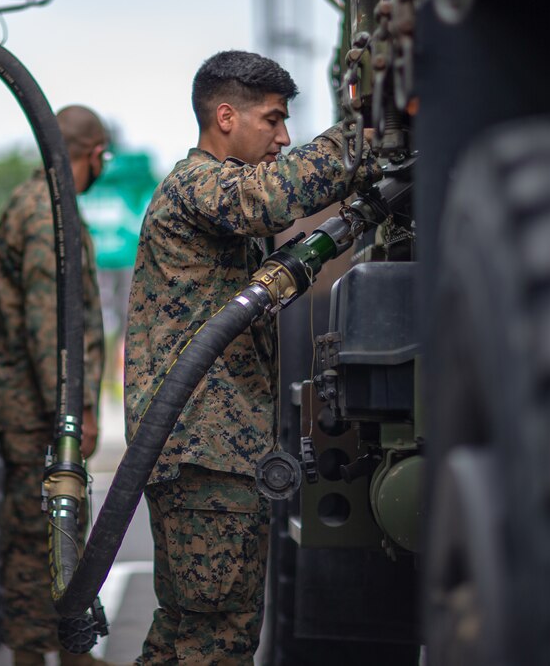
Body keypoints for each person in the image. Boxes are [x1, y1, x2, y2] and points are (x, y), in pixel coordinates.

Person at [123, 51, 381, 664]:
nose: (284, 137)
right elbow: (272, 195)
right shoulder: (196, 184)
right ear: (226, 116)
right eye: (273, 120)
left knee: (203, 632)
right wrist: (362, 133)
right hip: (201, 452)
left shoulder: (215, 198)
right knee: (211, 638)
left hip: (215, 452)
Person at [0, 105, 113, 666]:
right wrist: (75, 412)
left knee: (48, 538)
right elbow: (49, 328)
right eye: (102, 155)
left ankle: (62, 653)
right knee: (41, 541)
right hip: (39, 414)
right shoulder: (45, 216)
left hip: (33, 410)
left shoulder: (45, 207)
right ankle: (43, 655)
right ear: (89, 154)